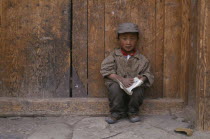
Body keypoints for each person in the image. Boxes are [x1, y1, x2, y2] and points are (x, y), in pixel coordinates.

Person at [100, 22, 154, 124]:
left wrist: (141, 78)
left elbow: (148, 73)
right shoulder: (113, 56)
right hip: (118, 84)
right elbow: (105, 70)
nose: (128, 42)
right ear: (119, 39)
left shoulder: (142, 59)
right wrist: (121, 79)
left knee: (138, 89)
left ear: (137, 39)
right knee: (114, 87)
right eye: (124, 39)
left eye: (132, 38)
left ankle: (133, 112)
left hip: (133, 87)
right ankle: (116, 113)